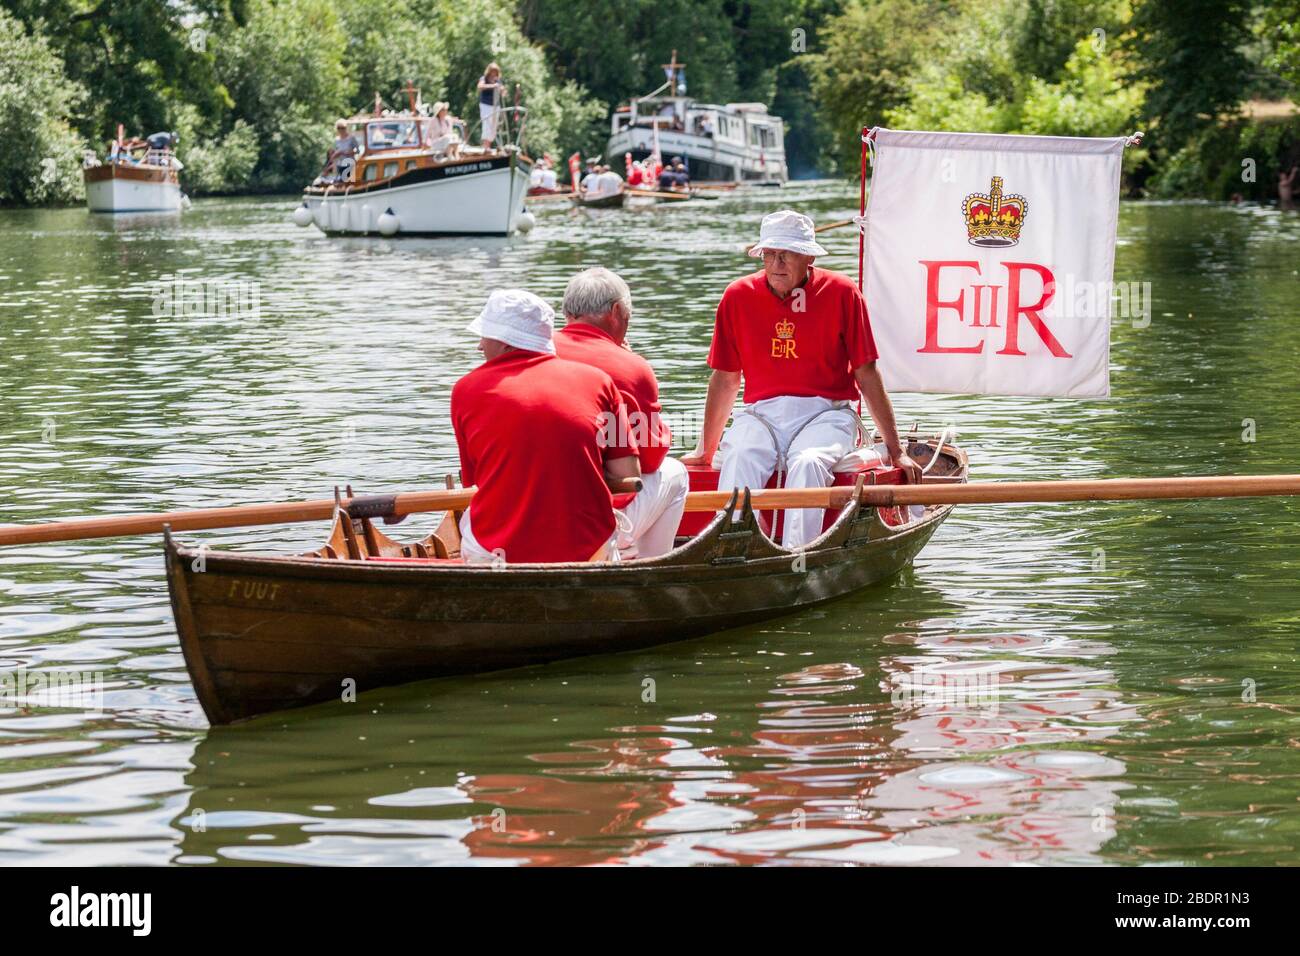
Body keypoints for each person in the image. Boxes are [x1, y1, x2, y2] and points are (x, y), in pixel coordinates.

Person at [683, 210, 921, 549]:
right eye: (770, 253)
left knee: (807, 463)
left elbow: (866, 375)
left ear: (808, 256)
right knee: (739, 457)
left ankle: (800, 554)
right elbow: (725, 379)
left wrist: (896, 452)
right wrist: (706, 450)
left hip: (826, 413)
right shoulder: (737, 296)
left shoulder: (842, 292)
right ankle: (736, 549)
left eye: (787, 253)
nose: (777, 263)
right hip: (761, 412)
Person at [451, 289, 641, 564]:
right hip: (588, 548)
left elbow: (475, 481)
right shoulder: (599, 381)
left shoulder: (465, 390)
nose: (479, 346)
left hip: (499, 551)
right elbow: (628, 475)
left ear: (506, 343)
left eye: (484, 336)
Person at [556, 268, 688, 559]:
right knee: (676, 472)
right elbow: (650, 458)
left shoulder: (537, 353)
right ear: (617, 311)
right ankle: (651, 566)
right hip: (598, 518)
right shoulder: (631, 367)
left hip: (538, 510)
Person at [477, 63, 505, 148]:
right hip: (486, 105)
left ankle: (488, 145)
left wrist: (502, 90)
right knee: (487, 125)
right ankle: (485, 146)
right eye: (492, 71)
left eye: (495, 72)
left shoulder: (498, 80)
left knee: (493, 127)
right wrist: (492, 86)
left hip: (495, 106)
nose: (493, 74)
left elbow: (503, 92)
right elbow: (480, 86)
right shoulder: (484, 79)